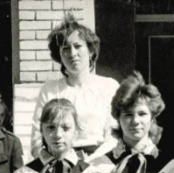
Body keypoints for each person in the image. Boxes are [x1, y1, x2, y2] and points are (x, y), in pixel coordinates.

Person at [29, 12, 120, 161]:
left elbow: (114, 137)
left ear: (91, 51)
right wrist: (56, 164)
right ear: (59, 55)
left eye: (78, 46)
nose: (72, 53)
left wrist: (88, 164)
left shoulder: (108, 87)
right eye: (65, 48)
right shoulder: (49, 90)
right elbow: (37, 140)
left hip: (100, 162)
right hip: (58, 162)